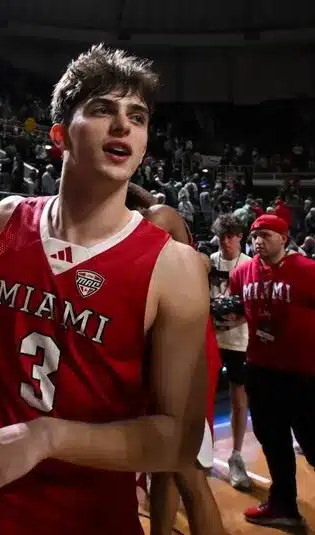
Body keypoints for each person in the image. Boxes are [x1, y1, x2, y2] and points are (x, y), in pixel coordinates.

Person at [0, 44, 210, 535]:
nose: (123, 126)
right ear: (60, 135)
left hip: (89, 515)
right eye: (103, 109)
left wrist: (48, 437)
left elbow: (178, 440)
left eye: (138, 116)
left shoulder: (175, 267)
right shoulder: (8, 220)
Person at [228, 214, 315, 532]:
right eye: (254, 236)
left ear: (284, 238)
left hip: (303, 372)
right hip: (262, 369)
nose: (258, 241)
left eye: (265, 235)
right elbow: (244, 311)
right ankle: (284, 506)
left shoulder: (308, 270)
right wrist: (228, 318)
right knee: (273, 441)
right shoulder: (242, 272)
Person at [124, 186, 224, 535]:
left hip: (185, 353)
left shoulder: (158, 216)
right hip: (164, 349)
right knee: (162, 468)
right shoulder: (160, 227)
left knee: (188, 471)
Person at [208, 213, 252, 491]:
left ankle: (236, 457)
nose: (226, 241)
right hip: (210, 338)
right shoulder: (208, 261)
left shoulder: (249, 264)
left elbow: (256, 301)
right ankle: (200, 454)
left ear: (240, 237)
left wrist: (240, 318)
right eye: (222, 236)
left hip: (239, 341)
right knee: (202, 398)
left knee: (239, 399)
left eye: (231, 236)